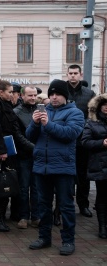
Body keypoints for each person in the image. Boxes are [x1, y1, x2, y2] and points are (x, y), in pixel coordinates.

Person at [26, 79, 84, 256]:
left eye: (57, 94)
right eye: (51, 94)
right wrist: (35, 123)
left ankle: (68, 241)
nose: (54, 97)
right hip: (41, 167)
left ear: (65, 95)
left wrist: (47, 124)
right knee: (43, 205)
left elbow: (70, 134)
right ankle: (44, 237)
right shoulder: (44, 111)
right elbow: (30, 136)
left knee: (66, 206)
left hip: (63, 167)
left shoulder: (75, 113)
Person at [0, 79, 33, 232]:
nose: (12, 94)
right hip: (3, 152)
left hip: (9, 150)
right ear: (1, 93)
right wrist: (2, 151)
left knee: (6, 185)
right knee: (1, 185)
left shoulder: (6, 105)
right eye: (10, 91)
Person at [66, 64, 96, 218]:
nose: (73, 76)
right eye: (70, 73)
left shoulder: (89, 93)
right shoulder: (62, 92)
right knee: (66, 175)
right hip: (65, 140)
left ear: (80, 74)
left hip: (82, 141)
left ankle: (83, 205)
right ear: (67, 74)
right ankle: (65, 205)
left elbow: (92, 117)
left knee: (84, 175)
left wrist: (80, 126)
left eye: (75, 73)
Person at [81, 94, 107, 239]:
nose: (106, 107)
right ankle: (102, 227)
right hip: (100, 164)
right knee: (102, 196)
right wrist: (102, 143)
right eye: (104, 104)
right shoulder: (91, 122)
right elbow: (85, 142)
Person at [13, 86, 38, 229]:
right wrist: (34, 148)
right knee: (23, 187)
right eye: (30, 95)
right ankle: (23, 216)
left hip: (38, 156)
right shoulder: (16, 112)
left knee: (36, 188)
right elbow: (17, 136)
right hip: (23, 155)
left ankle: (36, 216)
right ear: (22, 96)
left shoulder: (41, 110)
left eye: (34, 95)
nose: (33, 98)